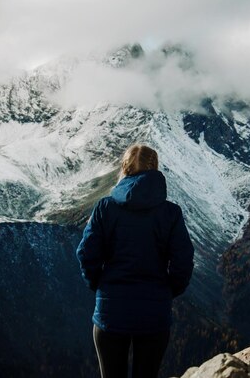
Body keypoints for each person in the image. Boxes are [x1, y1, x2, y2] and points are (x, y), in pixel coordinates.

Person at [76, 144, 195, 378]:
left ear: (125, 169)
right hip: (154, 314)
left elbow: (86, 254)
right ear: (156, 169)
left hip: (110, 311)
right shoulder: (170, 213)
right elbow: (183, 260)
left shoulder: (104, 208)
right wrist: (168, 291)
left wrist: (100, 285)